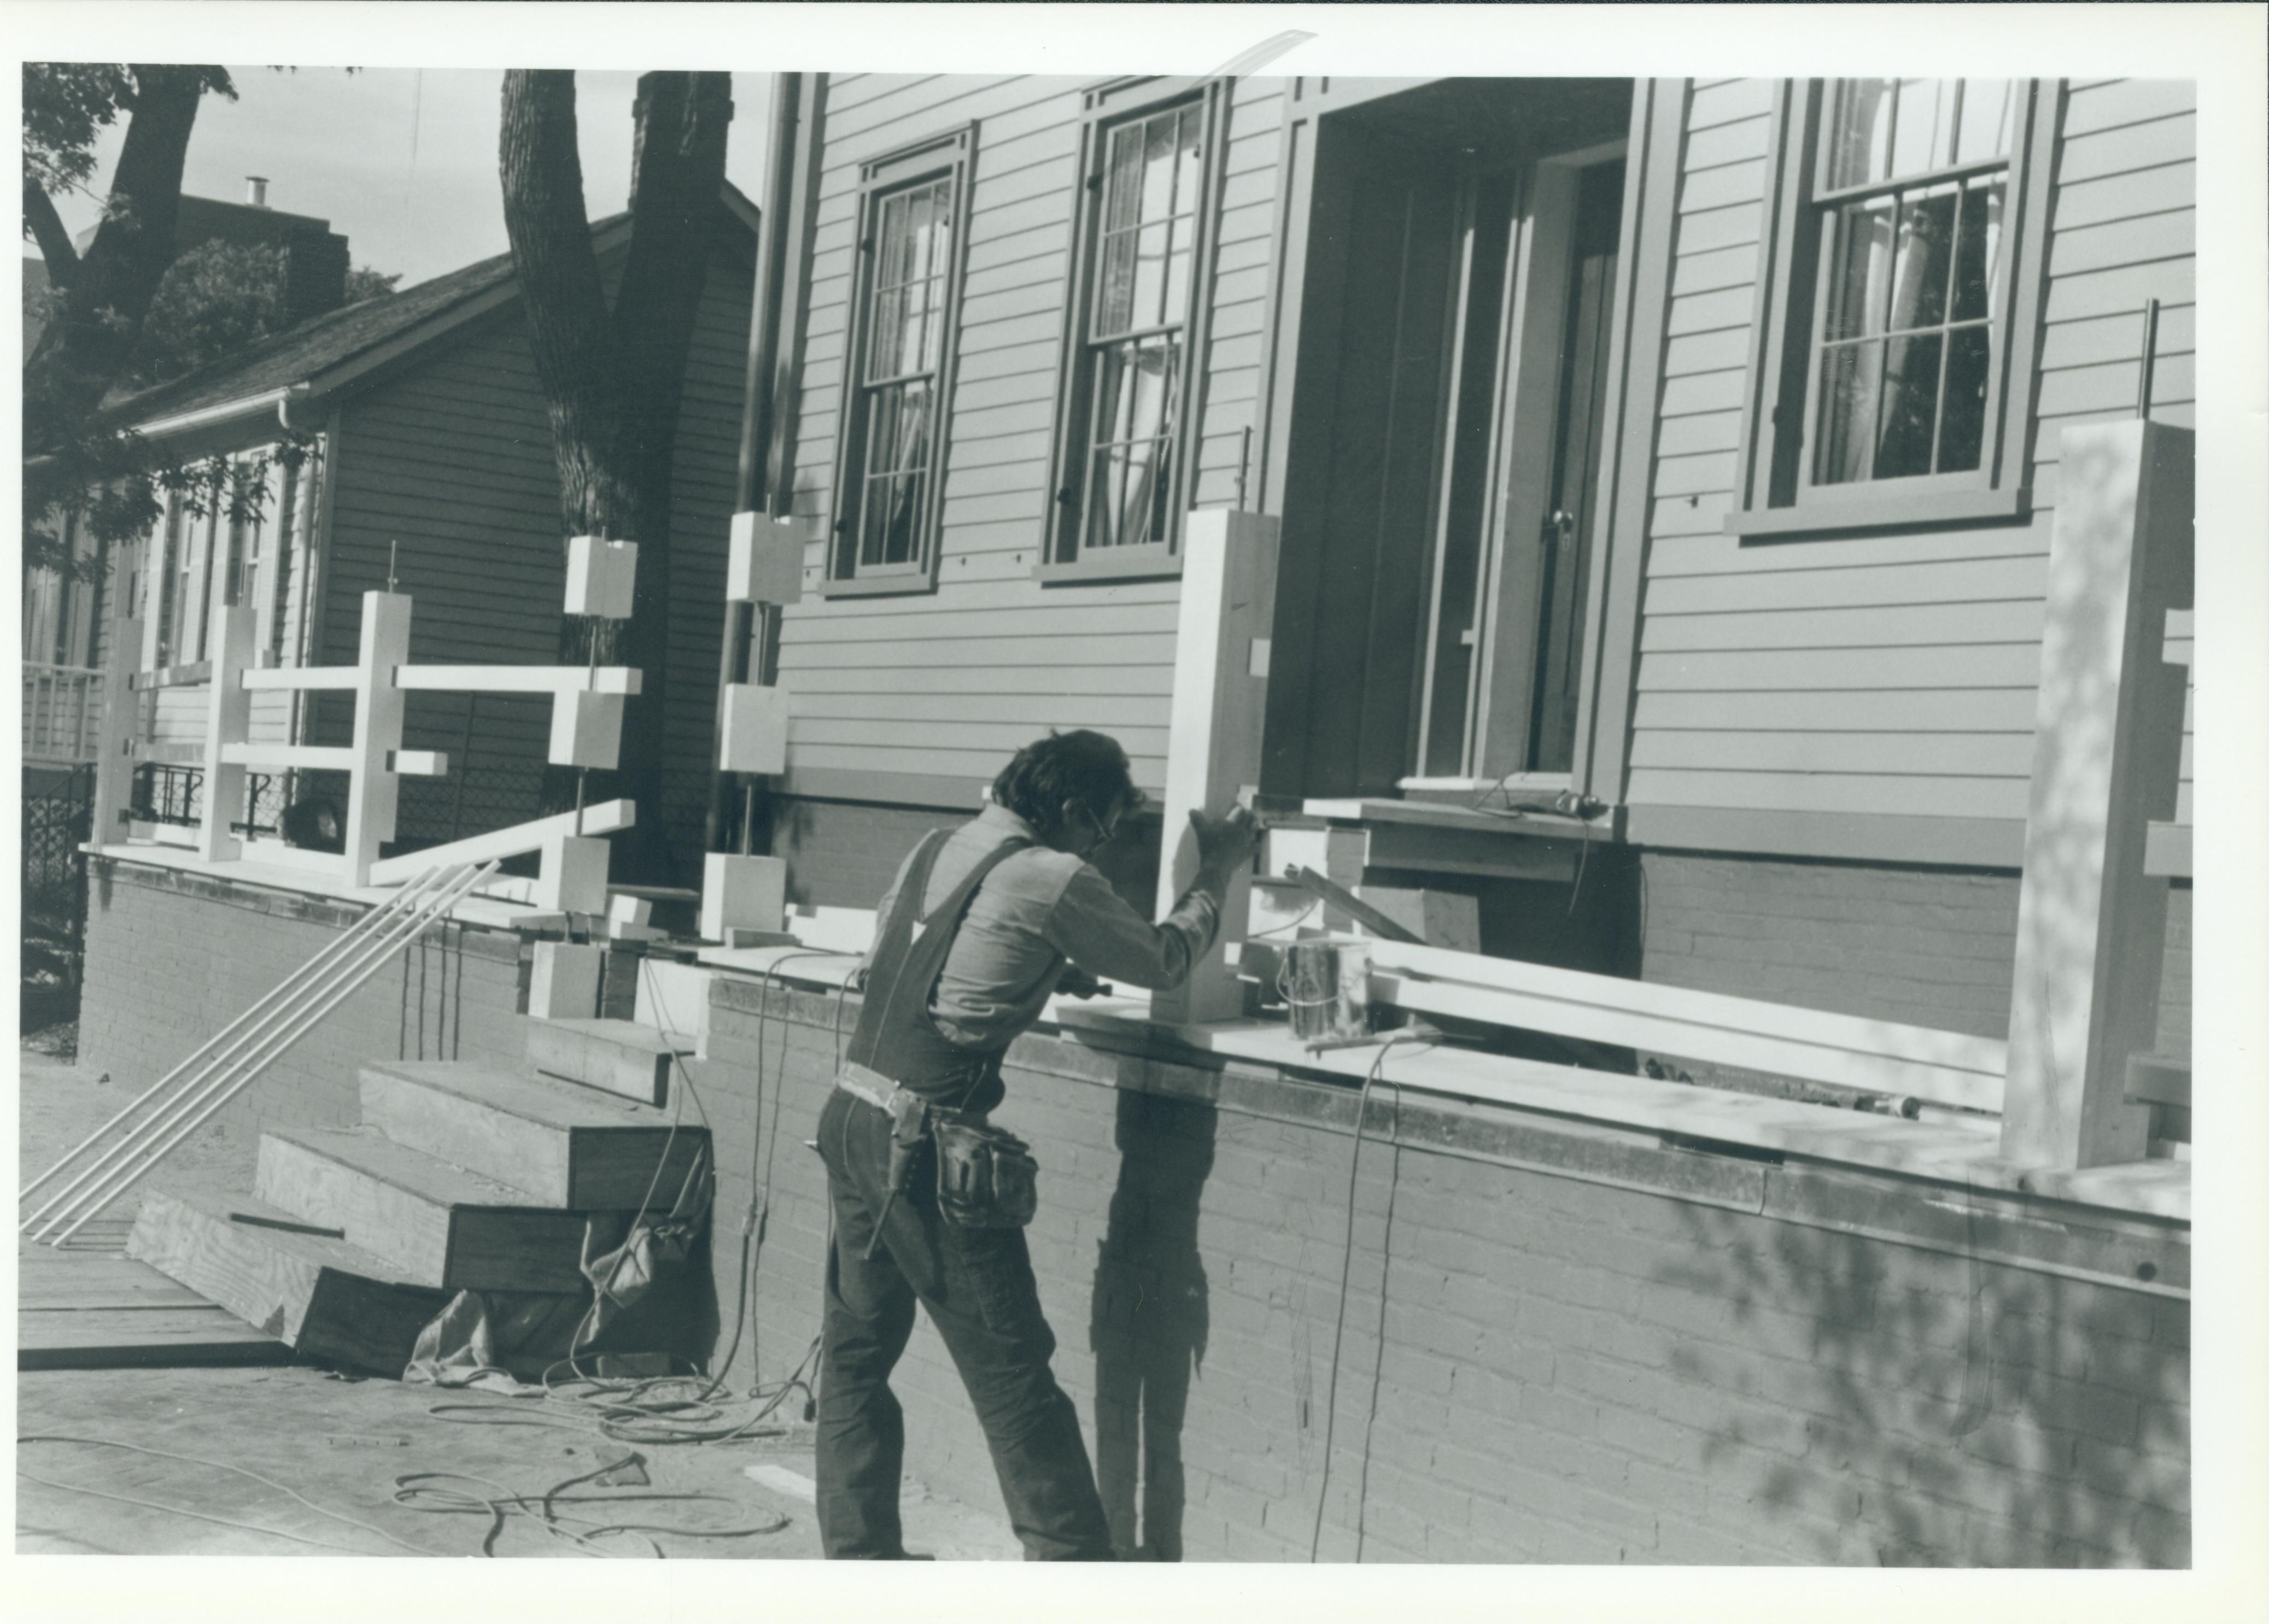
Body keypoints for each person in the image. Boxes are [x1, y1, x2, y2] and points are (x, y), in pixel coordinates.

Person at [811, 729, 1259, 1561]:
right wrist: (1219, 867)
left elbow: (923, 958)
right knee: (1014, 1379)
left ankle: (858, 1563)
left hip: (852, 1114)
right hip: (923, 1142)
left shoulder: (935, 846)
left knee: (855, 1357)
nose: (1100, 847)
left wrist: (1045, 963)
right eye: (1102, 830)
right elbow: (1164, 960)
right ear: (1071, 811)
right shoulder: (1054, 878)